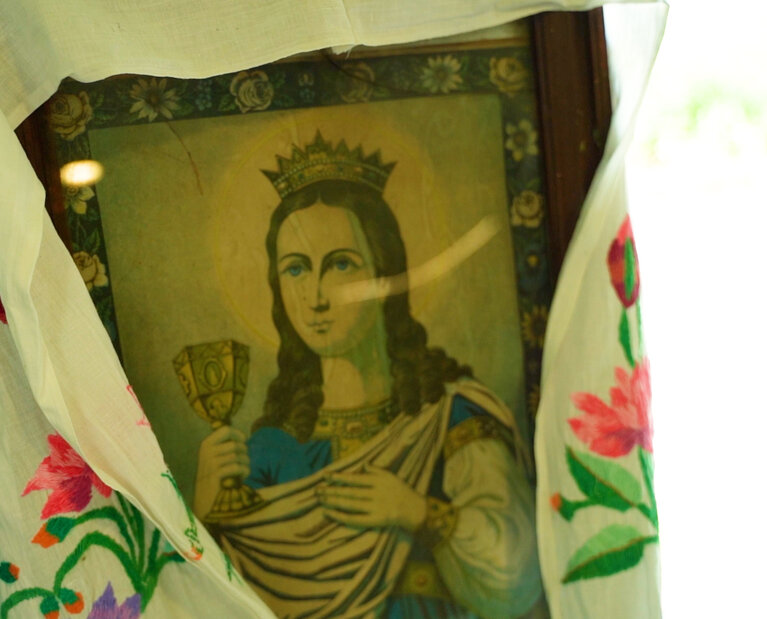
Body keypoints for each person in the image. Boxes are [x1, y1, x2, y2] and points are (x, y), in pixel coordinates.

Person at [193, 133, 541, 618]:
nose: (316, 297)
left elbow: (518, 574)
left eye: (340, 264)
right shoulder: (269, 451)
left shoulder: (451, 419)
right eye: (296, 269)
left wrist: (418, 512)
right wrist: (205, 517)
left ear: (385, 273)